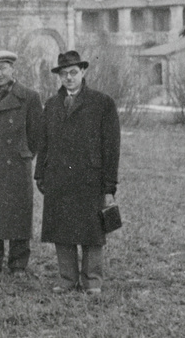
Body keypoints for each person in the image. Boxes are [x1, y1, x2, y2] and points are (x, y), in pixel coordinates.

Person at [34, 50, 120, 295]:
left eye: (73, 72)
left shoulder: (102, 103)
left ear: (83, 72)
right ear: (59, 76)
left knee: (92, 230)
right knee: (62, 229)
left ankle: (92, 280)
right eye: (64, 73)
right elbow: (44, 143)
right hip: (58, 178)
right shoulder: (51, 105)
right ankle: (67, 279)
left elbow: (111, 148)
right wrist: (40, 173)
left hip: (90, 178)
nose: (69, 78)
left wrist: (109, 187)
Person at [0, 50, 43, 275]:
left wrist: (23, 153)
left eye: (3, 68)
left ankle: (18, 263)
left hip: (17, 162)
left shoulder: (29, 97)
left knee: (19, 213)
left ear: (13, 69)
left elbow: (35, 135)